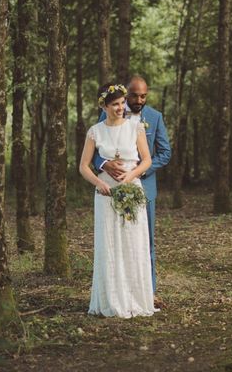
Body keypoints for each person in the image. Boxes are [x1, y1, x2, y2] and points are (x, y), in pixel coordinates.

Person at [93, 76, 171, 309]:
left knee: (144, 242)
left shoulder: (155, 117)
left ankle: (149, 292)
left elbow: (164, 153)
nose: (139, 100)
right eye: (135, 95)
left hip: (142, 188)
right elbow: (96, 147)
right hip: (112, 187)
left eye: (143, 96)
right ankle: (118, 292)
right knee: (116, 240)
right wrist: (103, 164)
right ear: (127, 94)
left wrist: (137, 173)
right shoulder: (111, 111)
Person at [79, 83, 155, 318]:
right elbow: (83, 166)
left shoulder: (136, 127)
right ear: (104, 106)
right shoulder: (95, 131)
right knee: (110, 241)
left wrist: (130, 178)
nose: (121, 108)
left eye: (122, 103)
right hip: (106, 194)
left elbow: (146, 160)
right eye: (115, 104)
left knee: (132, 241)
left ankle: (135, 299)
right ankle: (111, 299)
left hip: (131, 188)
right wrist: (99, 183)